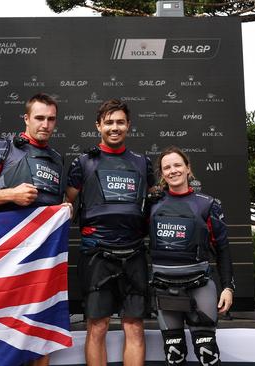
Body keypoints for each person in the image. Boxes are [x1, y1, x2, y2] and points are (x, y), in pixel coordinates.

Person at [0, 92, 71, 366]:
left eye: (51, 119)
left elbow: (56, 205)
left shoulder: (58, 159)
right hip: (6, 261)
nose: (45, 124)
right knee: (4, 333)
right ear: (26, 118)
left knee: (41, 333)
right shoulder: (6, 146)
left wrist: (65, 208)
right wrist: (11, 195)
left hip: (42, 261)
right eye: (39, 118)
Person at [65, 99, 155, 365]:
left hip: (135, 251)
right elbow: (66, 204)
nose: (114, 127)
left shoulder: (142, 163)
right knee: (98, 326)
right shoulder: (83, 162)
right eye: (109, 122)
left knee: (134, 326)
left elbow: (152, 202)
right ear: (98, 126)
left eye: (120, 122)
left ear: (128, 126)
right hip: (96, 254)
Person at [148, 146, 234, 366]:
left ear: (188, 169)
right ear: (162, 173)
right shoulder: (151, 204)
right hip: (165, 288)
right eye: (167, 167)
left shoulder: (207, 204)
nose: (173, 170)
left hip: (200, 286)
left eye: (177, 165)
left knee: (207, 353)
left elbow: (223, 249)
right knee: (174, 355)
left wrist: (227, 287)